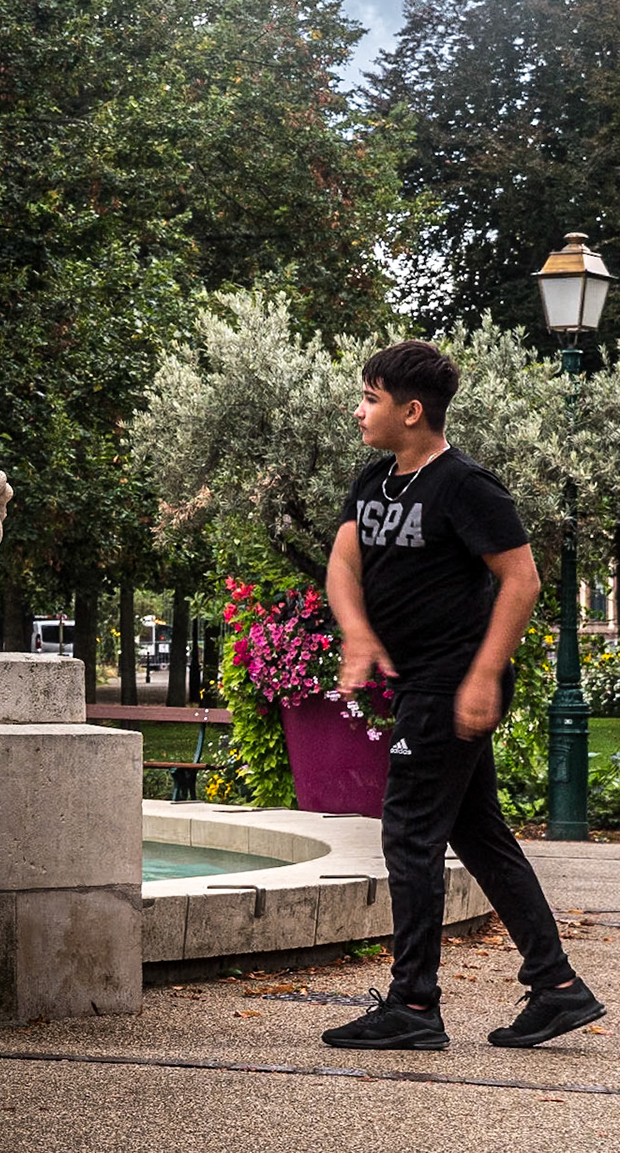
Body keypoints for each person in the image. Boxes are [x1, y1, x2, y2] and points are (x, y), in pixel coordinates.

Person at [322, 340, 604, 1050]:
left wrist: (482, 675)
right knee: (478, 834)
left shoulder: (466, 485)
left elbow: (523, 579)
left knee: (410, 833)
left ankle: (414, 1007)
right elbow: (343, 562)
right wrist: (358, 633)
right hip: (421, 679)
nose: (359, 411)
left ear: (411, 411)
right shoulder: (374, 480)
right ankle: (558, 986)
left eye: (371, 399)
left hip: (454, 680)